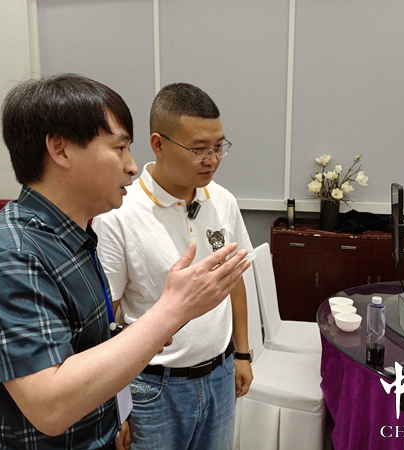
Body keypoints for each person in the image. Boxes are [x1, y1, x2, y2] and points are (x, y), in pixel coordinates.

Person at [0, 73, 250, 450]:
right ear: (60, 150)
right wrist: (172, 310)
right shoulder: (8, 254)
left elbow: (88, 344)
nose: (132, 166)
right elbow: (50, 406)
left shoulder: (74, 236)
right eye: (119, 148)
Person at [92, 82, 254, 450]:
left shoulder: (223, 200)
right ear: (158, 144)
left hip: (220, 373)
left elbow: (234, 281)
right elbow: (106, 315)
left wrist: (242, 353)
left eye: (218, 147)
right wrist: (116, 404)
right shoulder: (120, 213)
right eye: (198, 149)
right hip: (152, 387)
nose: (211, 159)